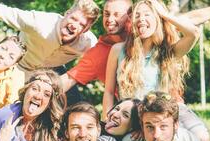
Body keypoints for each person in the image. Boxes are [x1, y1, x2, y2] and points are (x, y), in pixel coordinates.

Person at [103, 0, 209, 141]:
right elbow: (108, 91)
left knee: (202, 138)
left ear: (159, 19)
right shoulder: (118, 50)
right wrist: (105, 123)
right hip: (134, 114)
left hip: (166, 110)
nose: (141, 19)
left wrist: (165, 15)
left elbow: (193, 33)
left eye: (147, 14)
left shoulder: (168, 51)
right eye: (137, 16)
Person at [0, 0, 100, 105]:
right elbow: (0, 11)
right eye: (73, 18)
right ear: (67, 13)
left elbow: (105, 54)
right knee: (8, 106)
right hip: (20, 67)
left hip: (51, 71)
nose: (74, 25)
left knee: (75, 102)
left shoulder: (88, 43)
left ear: (86, 30)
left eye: (81, 25)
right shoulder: (40, 23)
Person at [61, 0, 210, 93]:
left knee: (201, 137)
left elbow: (191, 20)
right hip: (129, 109)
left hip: (169, 102)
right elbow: (67, 80)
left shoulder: (146, 30)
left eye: (117, 14)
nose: (110, 19)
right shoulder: (100, 52)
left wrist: (164, 15)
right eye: (106, 14)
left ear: (130, 16)